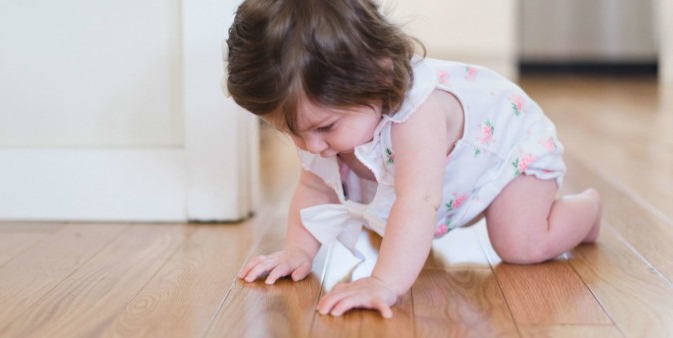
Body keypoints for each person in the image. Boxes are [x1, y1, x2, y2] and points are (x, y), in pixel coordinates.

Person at [226, 0, 602, 319]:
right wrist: (298, 251)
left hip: (506, 150)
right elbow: (315, 187)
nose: (309, 145)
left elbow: (419, 200)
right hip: (451, 172)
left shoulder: (416, 115)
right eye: (290, 131)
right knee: (386, 220)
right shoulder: (321, 122)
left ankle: (587, 212)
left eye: (325, 127)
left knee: (521, 244)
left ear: (379, 75)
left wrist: (383, 282)